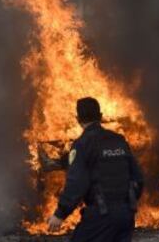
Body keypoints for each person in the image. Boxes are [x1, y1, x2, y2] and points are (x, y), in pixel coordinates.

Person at [48, 97, 144, 241]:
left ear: (78, 119)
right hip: (126, 215)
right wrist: (125, 205)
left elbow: (76, 183)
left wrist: (60, 214)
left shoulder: (82, 145)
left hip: (101, 215)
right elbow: (138, 178)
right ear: (100, 116)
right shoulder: (119, 140)